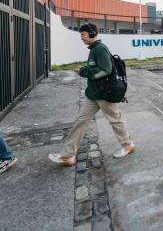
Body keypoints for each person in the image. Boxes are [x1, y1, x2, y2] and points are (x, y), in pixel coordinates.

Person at [48, 23, 135, 165]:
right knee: (81, 122)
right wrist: (86, 69)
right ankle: (68, 155)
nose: (81, 38)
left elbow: (105, 70)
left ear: (92, 33)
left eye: (83, 34)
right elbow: (97, 67)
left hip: (104, 94)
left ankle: (128, 145)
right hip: (93, 94)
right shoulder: (93, 49)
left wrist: (84, 71)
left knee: (115, 120)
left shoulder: (100, 49)